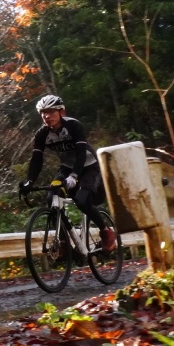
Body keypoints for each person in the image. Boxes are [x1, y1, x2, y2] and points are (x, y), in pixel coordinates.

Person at [19, 94, 116, 252]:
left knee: (82, 200)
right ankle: (63, 241)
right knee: (52, 198)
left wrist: (75, 176)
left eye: (51, 112)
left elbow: (81, 153)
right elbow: (36, 160)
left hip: (89, 165)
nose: (47, 116)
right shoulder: (42, 134)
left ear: (61, 112)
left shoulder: (73, 125)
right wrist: (29, 181)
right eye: (43, 112)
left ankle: (106, 232)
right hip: (66, 167)